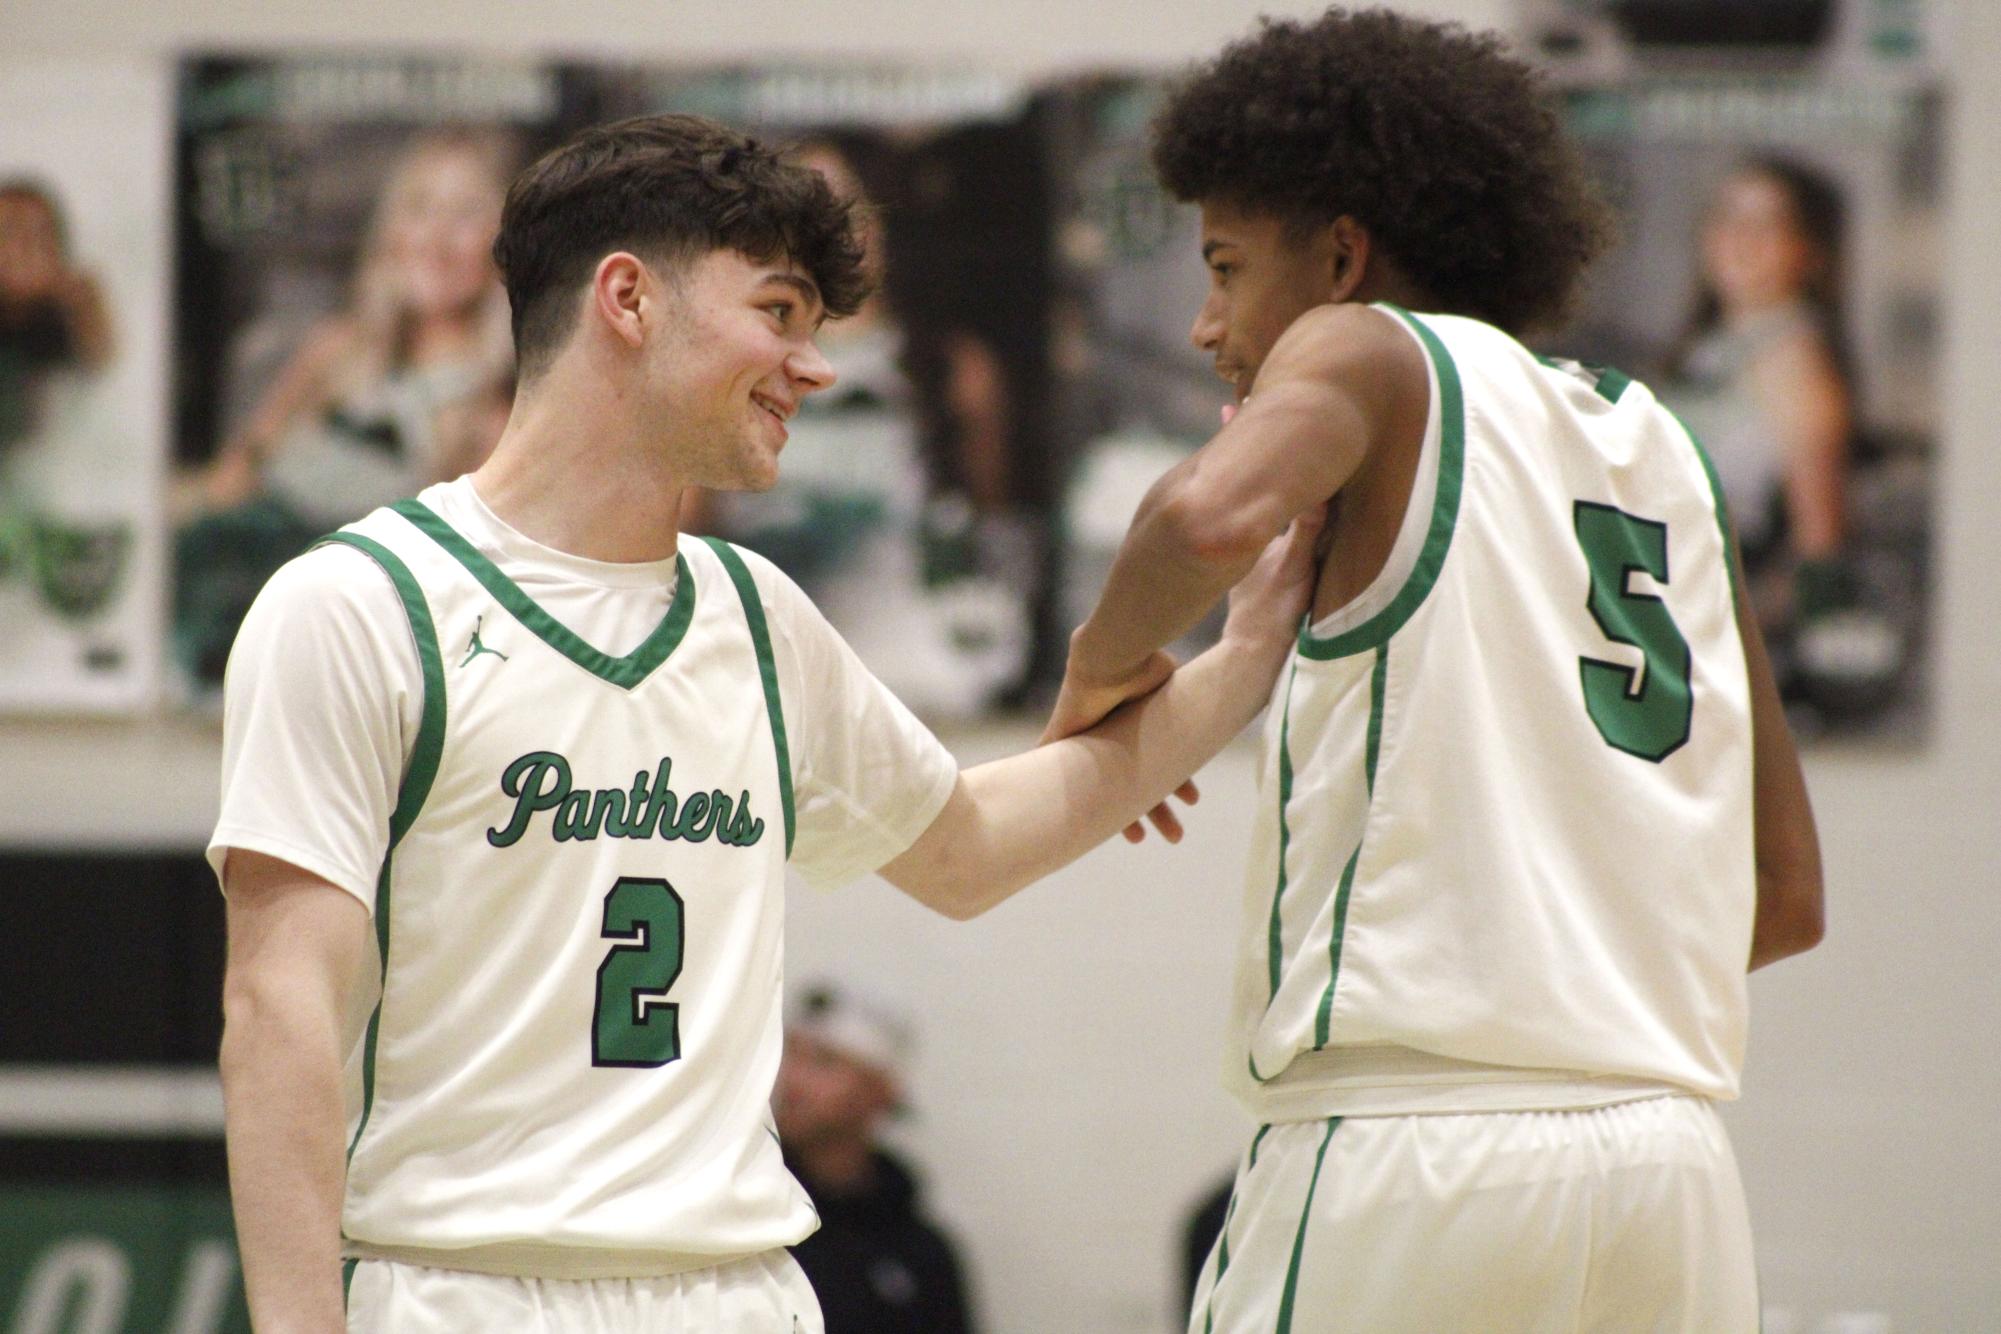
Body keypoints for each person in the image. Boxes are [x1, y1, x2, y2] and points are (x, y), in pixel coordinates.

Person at [212, 112, 1323, 1333]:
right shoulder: (359, 606)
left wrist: (1251, 655)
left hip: (738, 1287)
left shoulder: (755, 616)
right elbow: (279, 1014)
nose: (816, 365)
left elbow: (972, 845)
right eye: (780, 313)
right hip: (461, 1285)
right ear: (627, 299)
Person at [1044, 11, 1826, 1332]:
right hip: (1669, 1166)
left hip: (1414, 1146)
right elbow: (1787, 896)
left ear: (1341, 254)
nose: (1203, 322)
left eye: (1228, 268)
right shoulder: (1659, 447)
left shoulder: (1364, 346)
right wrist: (1571, 989)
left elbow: (1200, 519)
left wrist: (1095, 673)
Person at [174, 127, 518, 685]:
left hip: (340, 651)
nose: (435, 238)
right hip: (232, 603)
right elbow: (230, 481)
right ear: (390, 229)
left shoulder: (492, 412)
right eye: (420, 208)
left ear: (503, 243)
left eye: (463, 215)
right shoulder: (335, 350)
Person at [773, 982, 975, 1334]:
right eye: (791, 1053)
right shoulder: (747, 1221)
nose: (793, 1080)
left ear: (882, 1091)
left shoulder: (923, 1256)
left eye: (825, 1061)